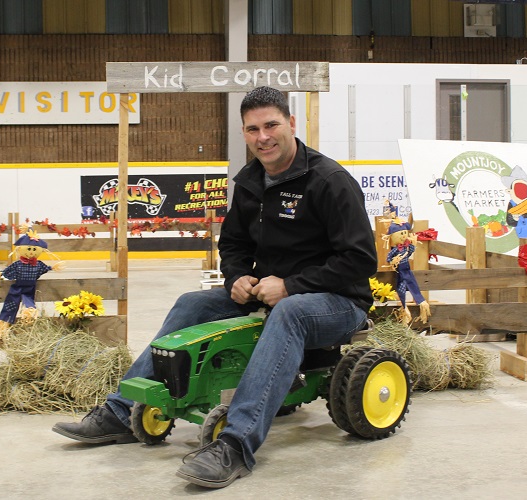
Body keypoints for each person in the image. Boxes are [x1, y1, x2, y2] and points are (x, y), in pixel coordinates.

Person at [53, 86, 377, 489]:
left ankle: (235, 444)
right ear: (244, 132)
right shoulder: (251, 183)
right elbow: (234, 245)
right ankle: (122, 411)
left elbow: (361, 260)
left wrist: (292, 286)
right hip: (268, 293)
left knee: (291, 313)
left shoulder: (330, 181)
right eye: (252, 129)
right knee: (192, 303)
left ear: (292, 124)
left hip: (338, 302)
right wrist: (237, 276)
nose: (263, 137)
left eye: (272, 125)